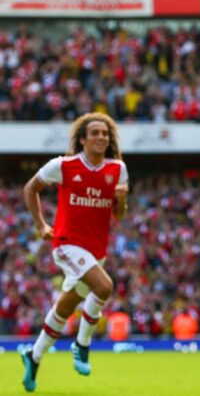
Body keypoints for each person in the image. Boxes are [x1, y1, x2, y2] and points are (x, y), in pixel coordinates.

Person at [20, 112, 128, 392]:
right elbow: (31, 188)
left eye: (105, 133)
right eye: (94, 133)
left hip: (96, 250)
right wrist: (41, 225)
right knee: (104, 286)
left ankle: (34, 356)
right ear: (82, 139)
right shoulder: (63, 165)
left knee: (65, 308)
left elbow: (119, 215)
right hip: (67, 244)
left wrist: (121, 201)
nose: (101, 137)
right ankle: (82, 344)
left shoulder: (118, 169)